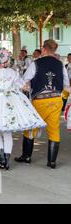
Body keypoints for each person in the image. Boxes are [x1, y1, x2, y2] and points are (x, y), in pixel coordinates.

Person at [15, 40, 71, 169]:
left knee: (31, 127)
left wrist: (27, 87)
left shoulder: (36, 64)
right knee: (54, 130)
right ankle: (51, 162)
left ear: (44, 49)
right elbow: (66, 85)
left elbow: (25, 81)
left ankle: (27, 156)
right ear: (54, 50)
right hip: (56, 100)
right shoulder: (60, 65)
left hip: (40, 100)